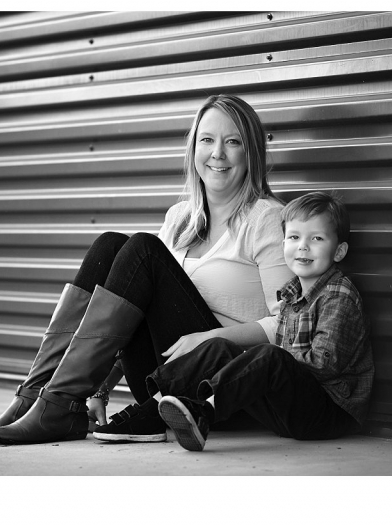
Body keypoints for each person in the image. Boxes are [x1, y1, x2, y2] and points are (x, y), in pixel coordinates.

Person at [0, 94, 293, 445]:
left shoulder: (266, 219)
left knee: (142, 250)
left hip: (218, 388)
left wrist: (209, 337)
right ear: (193, 148)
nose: (218, 153)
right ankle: (37, 396)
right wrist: (101, 390)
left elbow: (289, 323)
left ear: (251, 151)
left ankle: (55, 406)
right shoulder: (179, 218)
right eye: (207, 140)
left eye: (233, 142)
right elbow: (130, 308)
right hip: (159, 381)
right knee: (110, 245)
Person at [147, 191, 374, 451]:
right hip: (288, 410)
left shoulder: (338, 296)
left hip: (329, 412)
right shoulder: (291, 294)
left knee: (269, 356)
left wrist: (266, 357)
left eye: (317, 239)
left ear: (339, 251)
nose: (303, 246)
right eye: (294, 237)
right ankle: (149, 406)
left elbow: (324, 365)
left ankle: (202, 414)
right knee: (219, 345)